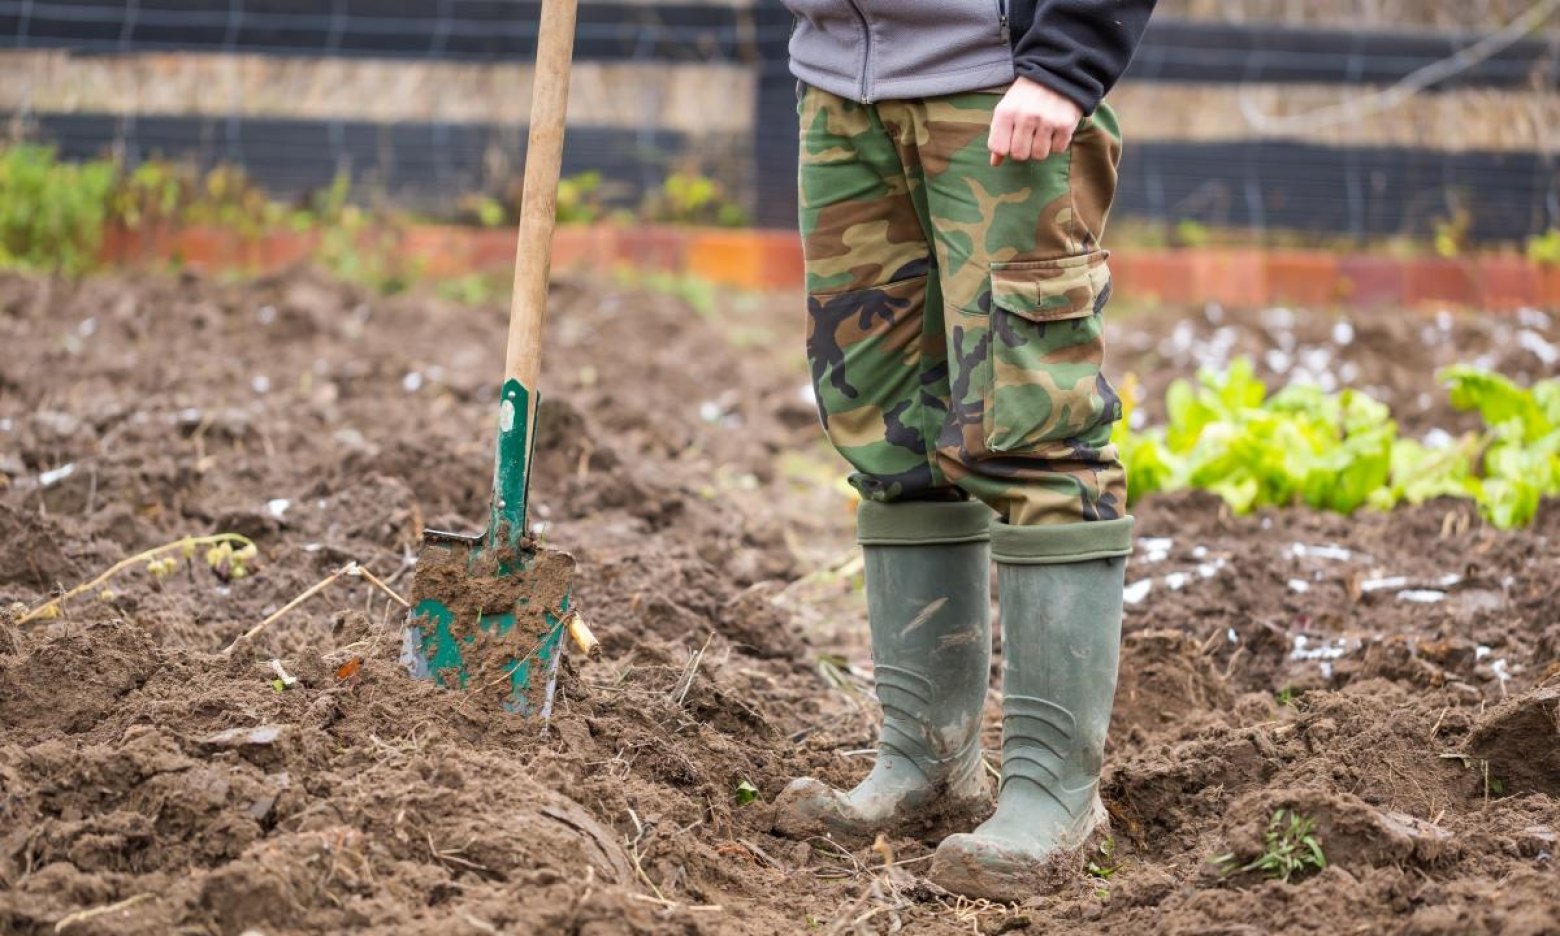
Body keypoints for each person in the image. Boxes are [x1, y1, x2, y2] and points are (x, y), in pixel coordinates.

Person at [772, 0, 1158, 902]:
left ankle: (1054, 794)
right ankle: (926, 761)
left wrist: (1066, 60)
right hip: (838, 82)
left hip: (1000, 85)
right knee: (886, 434)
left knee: (1035, 428)